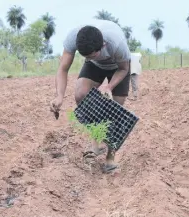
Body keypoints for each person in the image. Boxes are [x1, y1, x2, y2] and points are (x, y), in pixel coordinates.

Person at [49, 20, 131, 173]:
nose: (88, 58)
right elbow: (63, 69)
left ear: (103, 46)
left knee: (116, 112)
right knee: (81, 94)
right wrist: (59, 96)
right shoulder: (74, 37)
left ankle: (110, 158)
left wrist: (109, 86)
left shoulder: (116, 43)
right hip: (96, 67)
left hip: (118, 69)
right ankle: (96, 141)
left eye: (92, 55)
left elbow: (124, 68)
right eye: (85, 56)